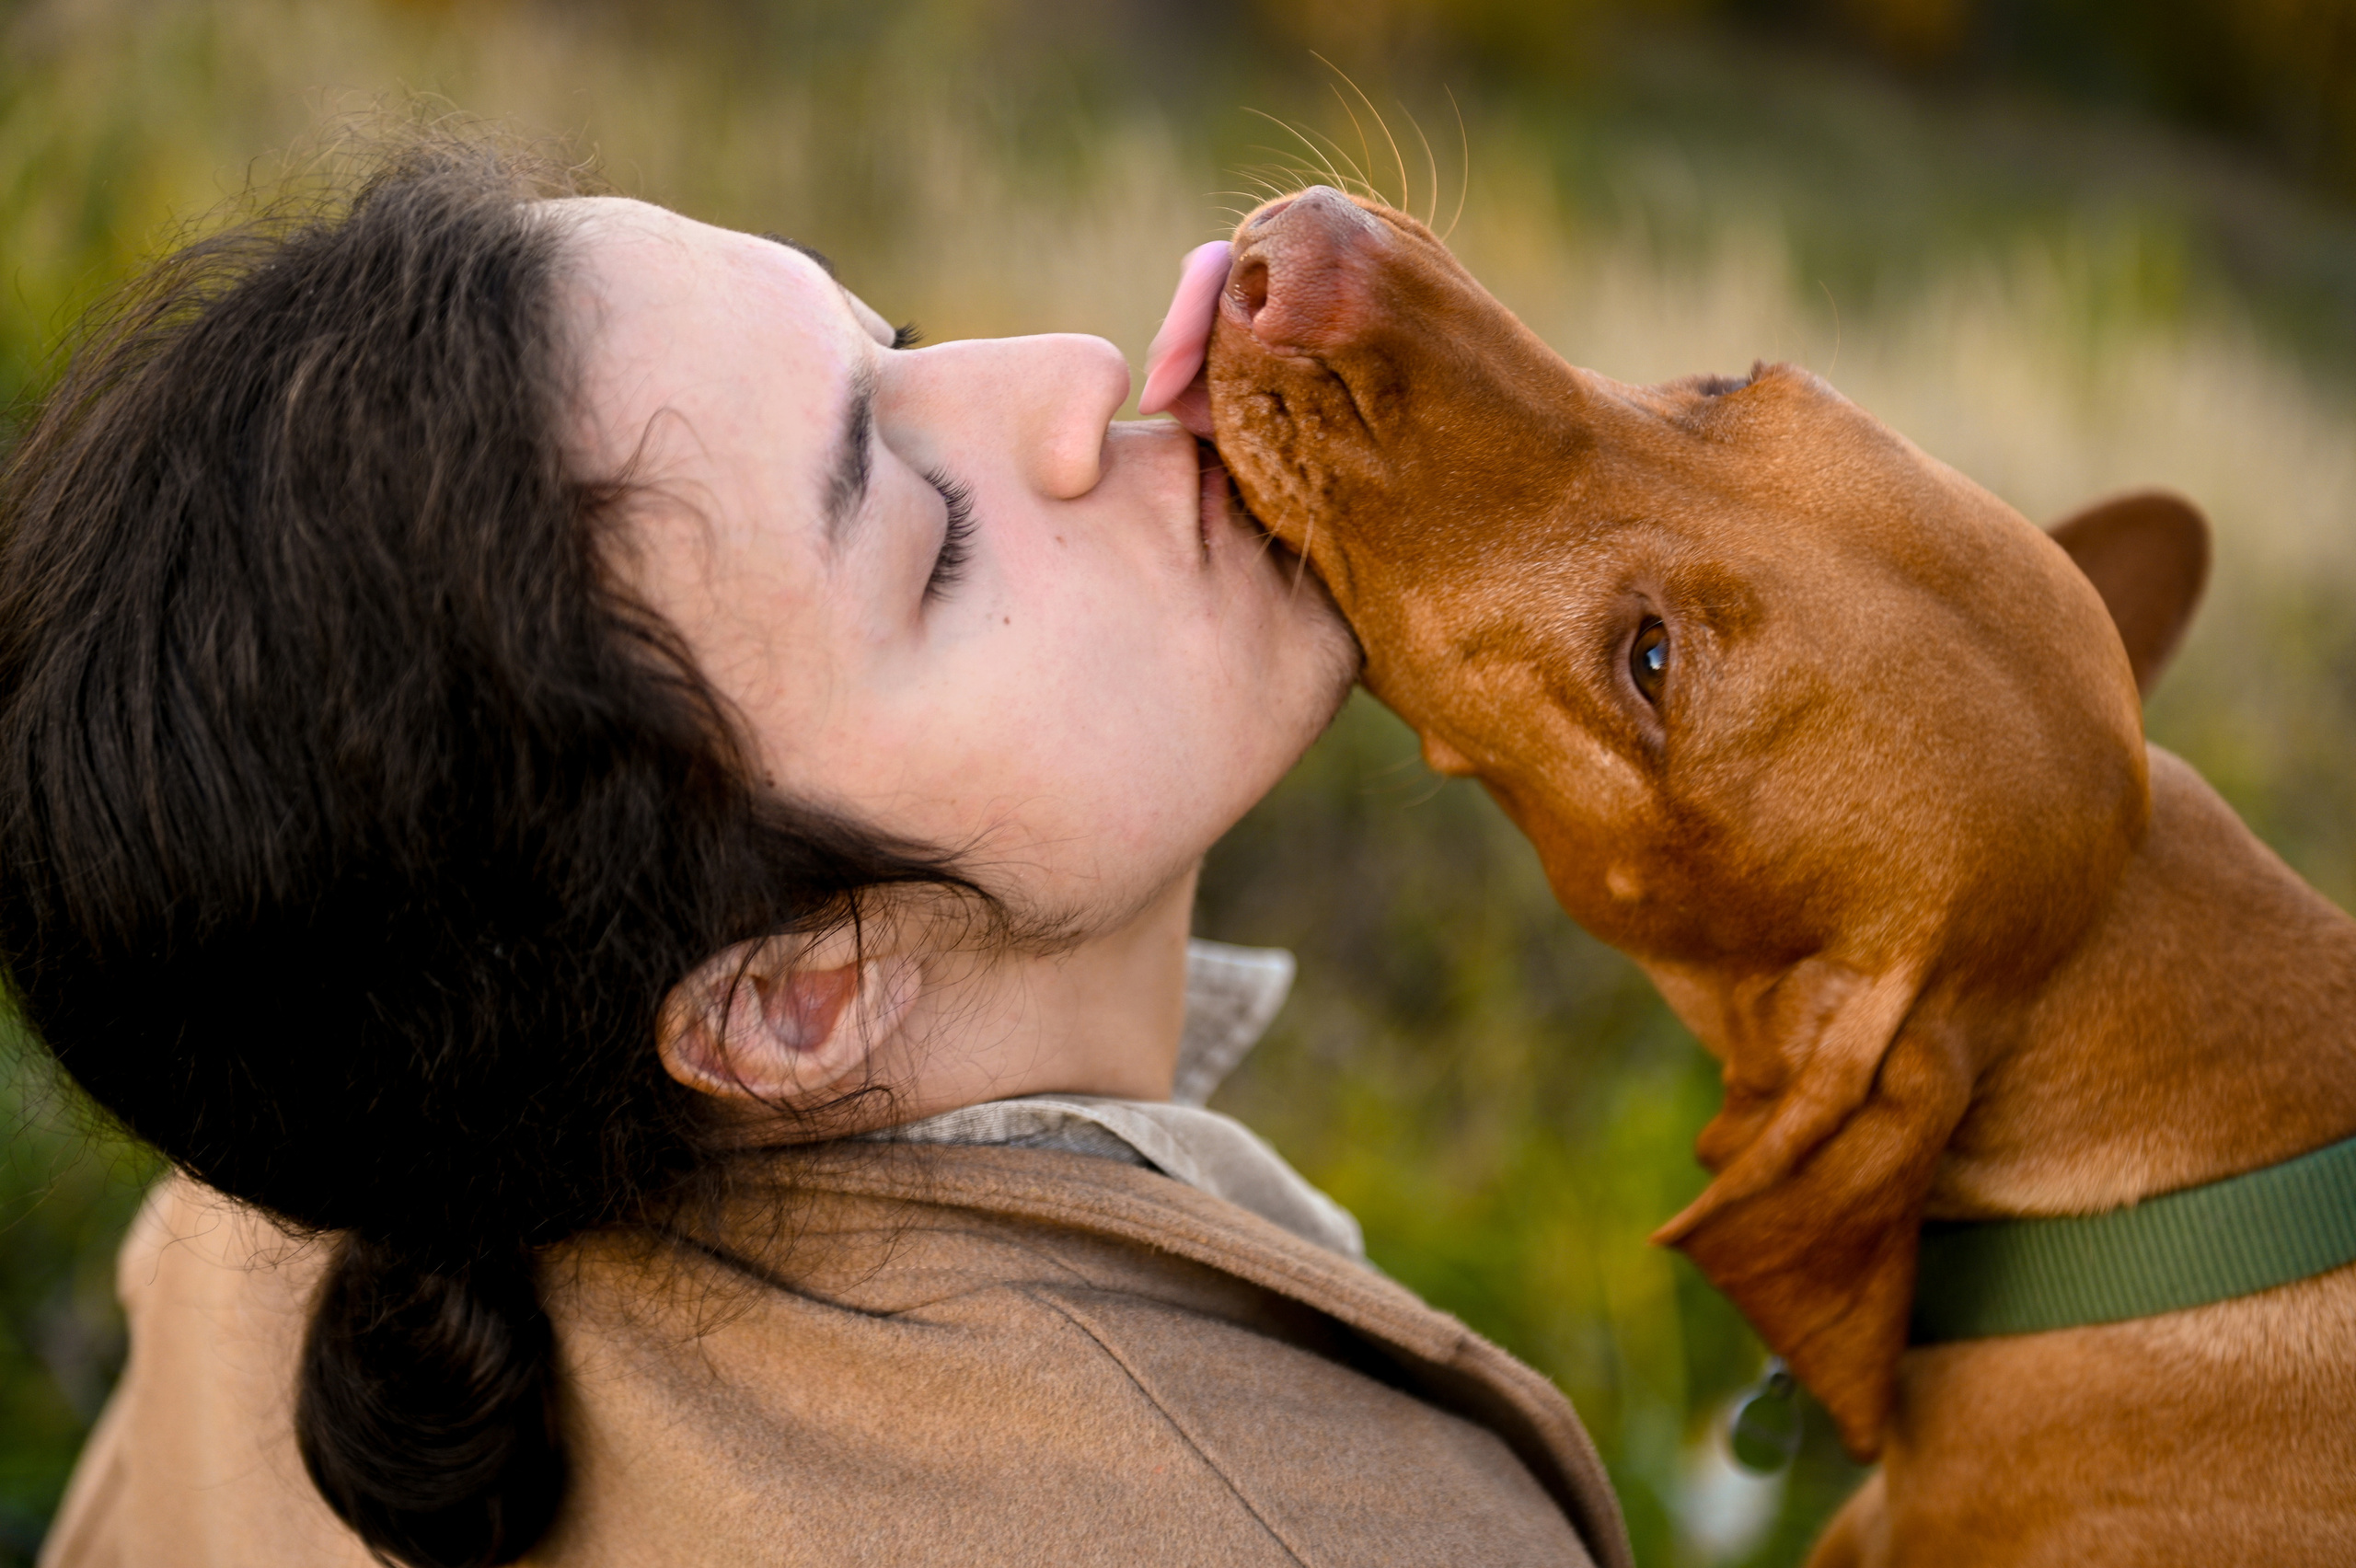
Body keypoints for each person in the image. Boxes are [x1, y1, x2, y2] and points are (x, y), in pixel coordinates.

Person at [0, 135, 1630, 1568]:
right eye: (932, 541)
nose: (1072, 370)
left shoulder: (288, 1196)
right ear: (792, 1002)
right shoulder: (1333, 1535)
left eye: (893, 342)